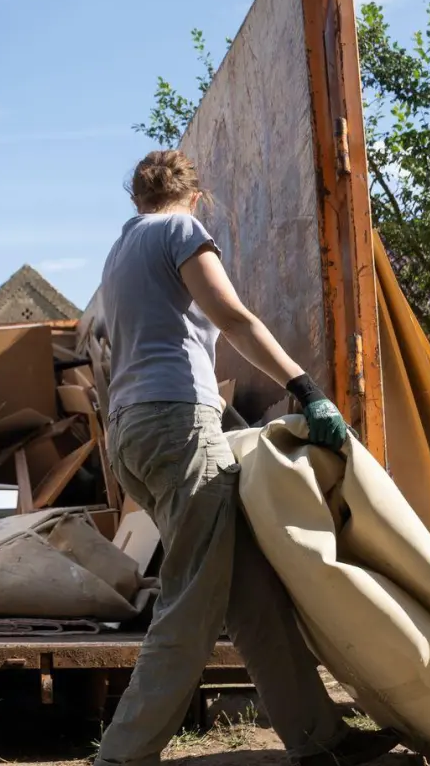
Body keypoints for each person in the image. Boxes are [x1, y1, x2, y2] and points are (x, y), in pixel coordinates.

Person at [93, 150, 401, 766]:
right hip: (177, 423)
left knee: (250, 593)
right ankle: (121, 758)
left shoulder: (119, 252)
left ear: (135, 198)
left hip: (132, 432)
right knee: (190, 601)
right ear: (197, 197)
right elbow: (230, 316)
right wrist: (304, 387)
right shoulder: (180, 230)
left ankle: (319, 741)